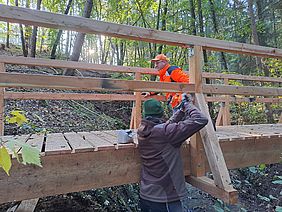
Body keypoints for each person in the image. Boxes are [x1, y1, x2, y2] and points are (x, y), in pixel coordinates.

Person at [137, 95, 208, 212]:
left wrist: (181, 111)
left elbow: (166, 126)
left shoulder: (142, 130)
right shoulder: (165, 133)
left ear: (145, 114)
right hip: (164, 199)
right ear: (161, 113)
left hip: (146, 195)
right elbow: (200, 119)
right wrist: (187, 105)